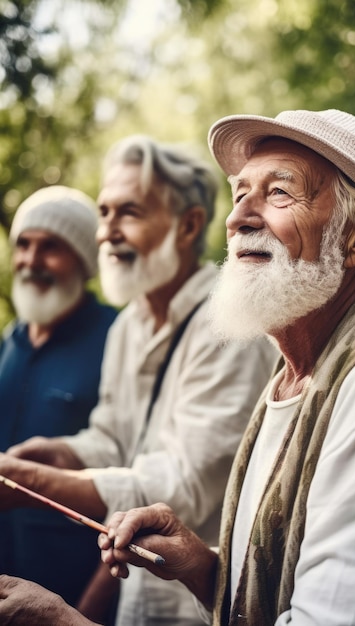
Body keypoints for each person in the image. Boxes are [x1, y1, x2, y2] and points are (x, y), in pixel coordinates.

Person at [2, 108, 355, 626]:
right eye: (241, 193)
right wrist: (202, 567)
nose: (240, 216)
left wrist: (62, 621)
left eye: (279, 193)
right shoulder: (292, 374)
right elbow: (272, 593)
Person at [0, 136, 277, 625]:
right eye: (104, 213)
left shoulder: (229, 327)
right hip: (134, 601)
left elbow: (184, 484)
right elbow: (112, 436)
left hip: (197, 607)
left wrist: (33, 483)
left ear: (188, 224)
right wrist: (63, 453)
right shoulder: (129, 324)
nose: (107, 231)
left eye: (128, 213)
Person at [0, 185, 117, 606]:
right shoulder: (8, 343)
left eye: (51, 247)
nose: (31, 260)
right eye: (24, 245)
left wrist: (86, 613)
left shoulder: (117, 339)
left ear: (84, 260)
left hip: (72, 596)